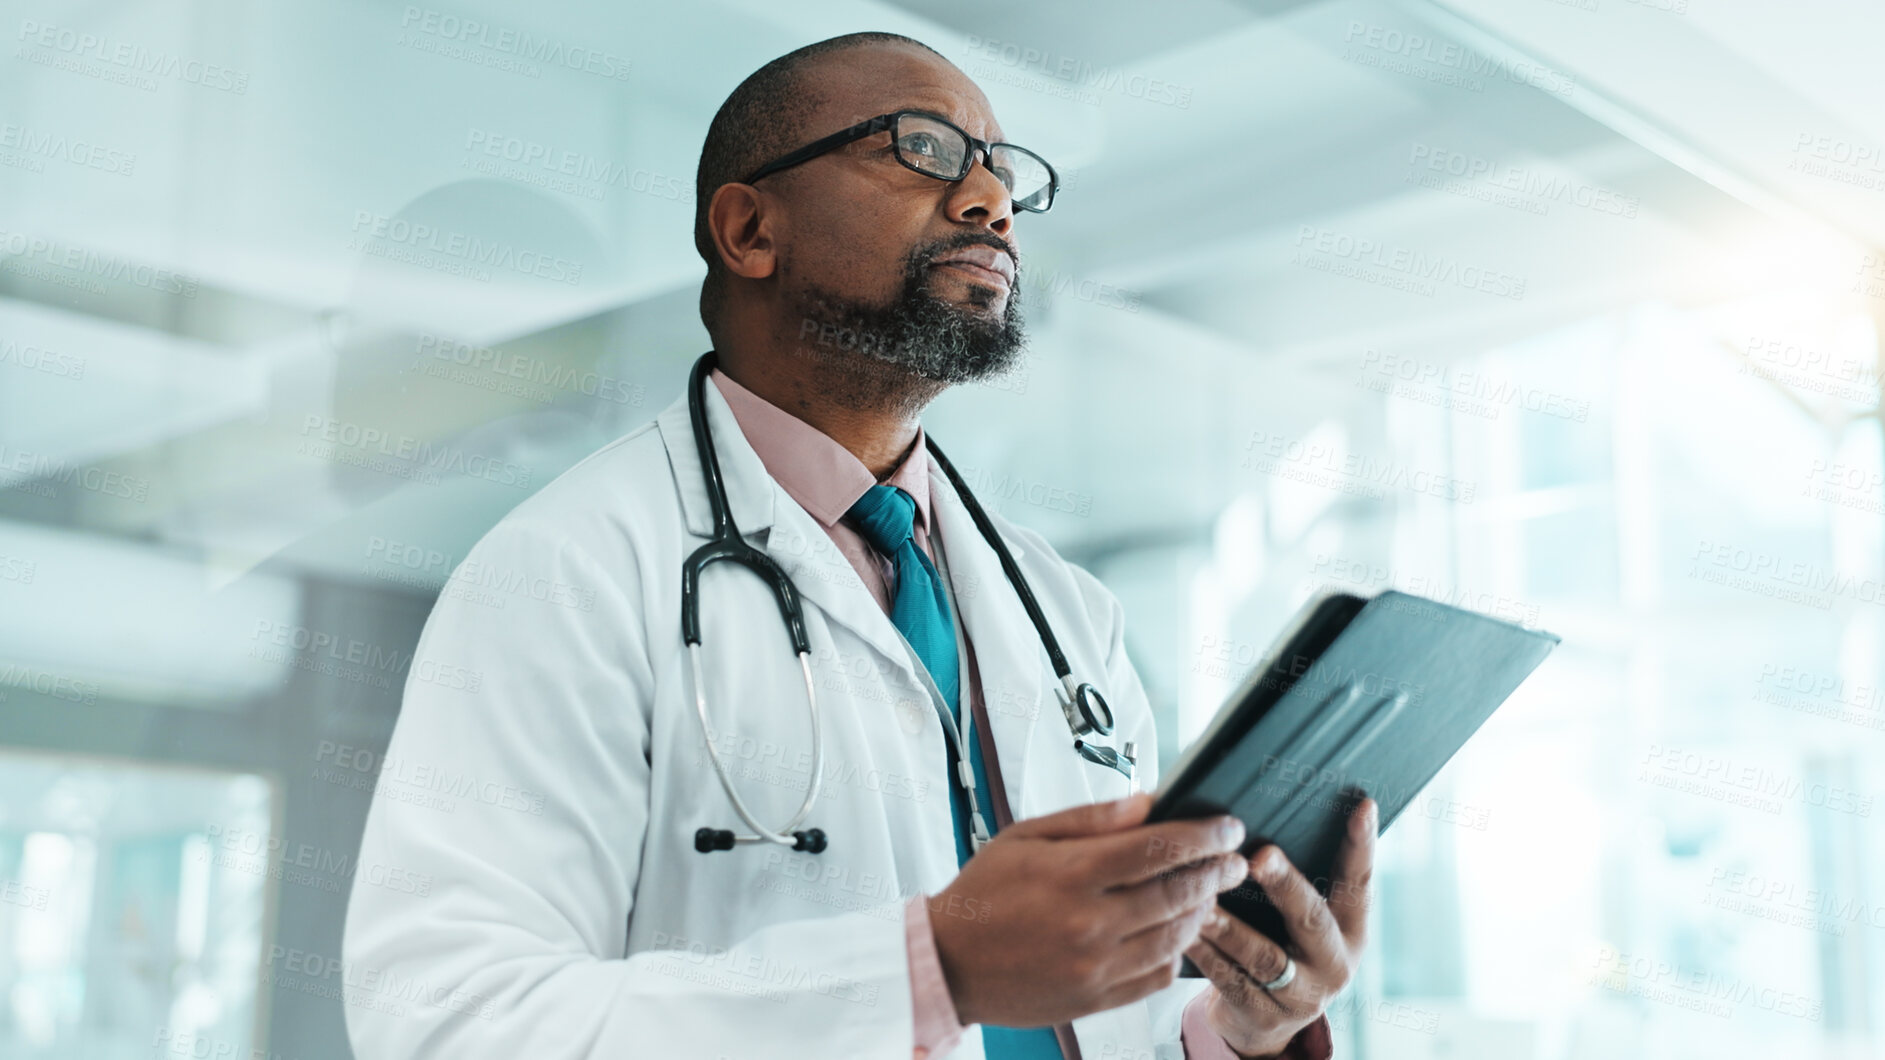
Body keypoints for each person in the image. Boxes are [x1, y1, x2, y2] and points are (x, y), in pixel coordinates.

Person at [343, 30, 1374, 1060]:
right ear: (750, 229)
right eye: (923, 148)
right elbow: (449, 1021)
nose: (988, 202)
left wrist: (1237, 1033)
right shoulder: (566, 571)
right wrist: (933, 970)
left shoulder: (1067, 613)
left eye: (1002, 172)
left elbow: (1113, 1028)